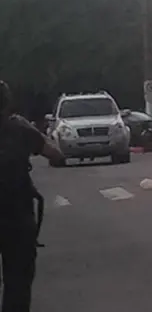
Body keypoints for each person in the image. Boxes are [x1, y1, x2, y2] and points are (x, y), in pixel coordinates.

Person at [0, 80, 63, 312]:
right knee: (18, 283)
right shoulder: (19, 129)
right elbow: (56, 154)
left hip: (17, 216)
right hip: (17, 216)